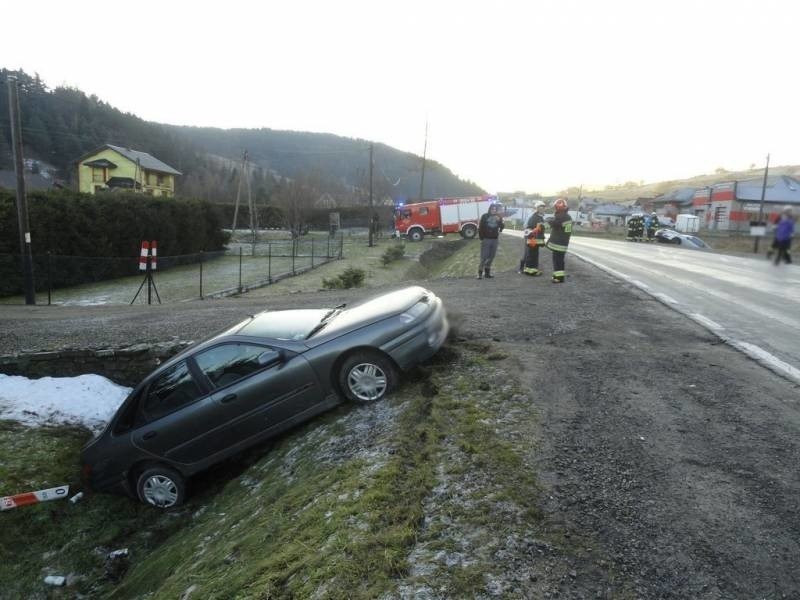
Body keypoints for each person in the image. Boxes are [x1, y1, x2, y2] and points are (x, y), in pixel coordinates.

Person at [546, 197, 572, 283]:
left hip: (559, 243)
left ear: (558, 208)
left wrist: (549, 220)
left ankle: (559, 278)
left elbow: (556, 224)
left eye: (556, 207)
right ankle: (558, 276)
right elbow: (559, 224)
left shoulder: (562, 216)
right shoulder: (567, 216)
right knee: (559, 260)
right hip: (563, 242)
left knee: (558, 261)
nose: (555, 209)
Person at [477, 202, 504, 279]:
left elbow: (502, 228)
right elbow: (480, 227)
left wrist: (499, 221)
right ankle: (479, 273)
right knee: (484, 257)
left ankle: (487, 273)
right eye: (492, 209)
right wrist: (482, 238)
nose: (494, 210)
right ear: (490, 209)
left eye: (495, 209)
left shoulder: (498, 217)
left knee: (491, 257)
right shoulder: (485, 216)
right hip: (486, 239)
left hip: (495, 240)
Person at [522, 200, 547, 276]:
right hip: (533, 239)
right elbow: (529, 229)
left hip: (536, 240)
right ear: (537, 208)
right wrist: (534, 231)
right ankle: (532, 271)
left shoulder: (540, 217)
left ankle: (529, 270)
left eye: (543, 207)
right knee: (532, 256)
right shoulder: (534, 217)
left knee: (532, 255)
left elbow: (541, 229)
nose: (543, 209)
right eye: (541, 207)